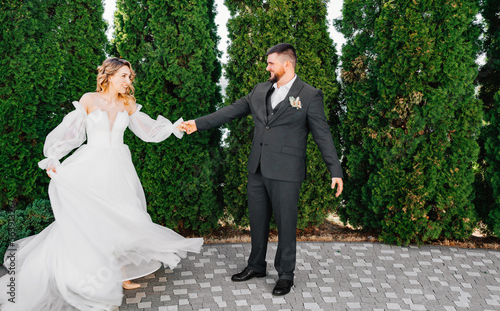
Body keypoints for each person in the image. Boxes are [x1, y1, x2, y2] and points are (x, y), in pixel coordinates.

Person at [0, 58, 203, 311]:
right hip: (90, 165)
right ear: (109, 75)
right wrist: (53, 156)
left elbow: (147, 130)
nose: (129, 81)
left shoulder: (127, 103)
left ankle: (123, 275)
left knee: (123, 217)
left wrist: (172, 127)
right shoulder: (89, 100)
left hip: (118, 168)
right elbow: (70, 133)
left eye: (130, 77)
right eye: (124, 76)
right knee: (93, 221)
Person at [182, 43, 343, 296]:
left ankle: (286, 275)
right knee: (257, 222)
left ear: (286, 65)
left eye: (271, 63)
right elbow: (231, 111)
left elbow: (322, 135)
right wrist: (197, 124)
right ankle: (256, 265)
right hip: (257, 168)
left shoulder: (309, 95)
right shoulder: (259, 90)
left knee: (286, 224)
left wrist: (335, 170)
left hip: (287, 172)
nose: (266, 67)